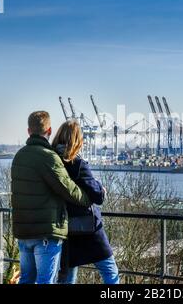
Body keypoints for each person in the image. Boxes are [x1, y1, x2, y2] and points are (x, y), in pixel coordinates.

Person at [11, 111, 92, 284]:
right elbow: (69, 189)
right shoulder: (49, 157)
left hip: (23, 232)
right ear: (49, 130)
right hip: (46, 233)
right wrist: (89, 198)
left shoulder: (19, 156)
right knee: (45, 281)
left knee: (26, 279)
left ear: (28, 131)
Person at [53, 119, 119, 284]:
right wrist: (101, 188)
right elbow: (97, 196)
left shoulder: (52, 162)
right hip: (88, 229)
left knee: (67, 277)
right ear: (77, 140)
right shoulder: (78, 164)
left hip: (64, 228)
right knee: (110, 272)